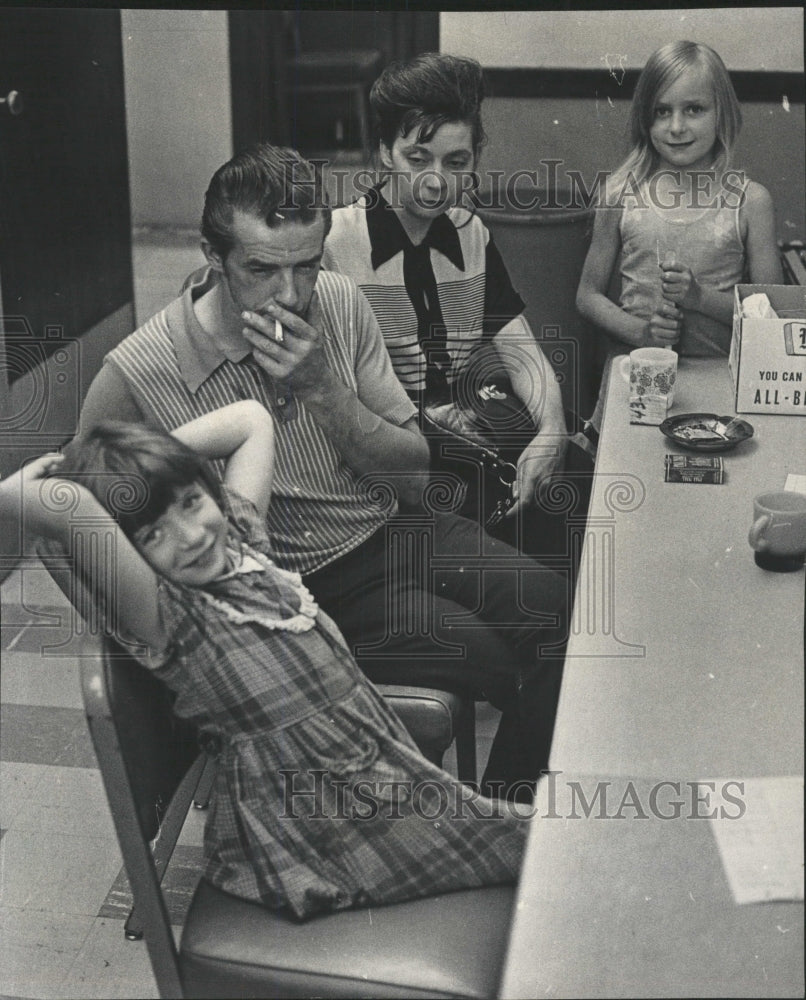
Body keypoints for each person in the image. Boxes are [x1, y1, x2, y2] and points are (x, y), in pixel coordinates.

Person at [76, 143, 569, 802]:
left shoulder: (337, 301)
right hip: (304, 587)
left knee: (564, 614)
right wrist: (169, 642)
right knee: (507, 659)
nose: (290, 293)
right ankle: (502, 835)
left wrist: (327, 395)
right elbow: (75, 513)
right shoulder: (136, 371)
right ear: (212, 256)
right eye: (261, 269)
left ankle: (508, 827)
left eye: (306, 265)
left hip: (397, 527)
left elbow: (415, 479)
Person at [0, 401, 526, 921]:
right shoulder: (166, 614)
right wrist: (60, 483)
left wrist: (149, 466)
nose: (192, 535)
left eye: (189, 502)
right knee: (549, 851)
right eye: (152, 535)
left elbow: (251, 419)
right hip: (313, 829)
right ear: (128, 555)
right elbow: (57, 507)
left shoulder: (243, 545)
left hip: (372, 783)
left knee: (547, 844)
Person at [323, 53, 591, 555]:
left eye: (456, 162)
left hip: (476, 432)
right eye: (417, 158)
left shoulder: (472, 233)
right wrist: (431, 423)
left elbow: (522, 353)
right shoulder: (334, 244)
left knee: (581, 484)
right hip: (394, 463)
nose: (435, 180)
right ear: (384, 152)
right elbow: (335, 399)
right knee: (541, 538)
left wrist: (552, 432)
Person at [576, 40, 783, 427]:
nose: (676, 127)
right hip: (636, 379)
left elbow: (768, 319)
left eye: (694, 109)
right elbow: (587, 297)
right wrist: (644, 333)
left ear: (721, 112)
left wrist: (699, 298)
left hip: (723, 384)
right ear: (644, 118)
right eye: (661, 112)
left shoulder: (751, 202)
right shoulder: (620, 194)